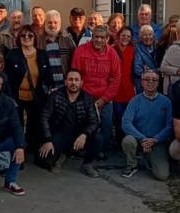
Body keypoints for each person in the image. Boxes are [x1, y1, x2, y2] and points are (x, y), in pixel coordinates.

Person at [39, 70, 101, 177]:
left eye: (76, 80)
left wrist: (84, 134)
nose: (73, 83)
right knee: (45, 154)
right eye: (70, 79)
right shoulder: (55, 96)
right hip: (59, 134)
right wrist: (47, 139)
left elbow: (94, 121)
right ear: (65, 82)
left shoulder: (87, 99)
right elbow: (44, 117)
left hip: (79, 136)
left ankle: (87, 164)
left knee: (98, 138)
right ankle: (60, 156)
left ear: (81, 82)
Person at [71, 26, 121, 160]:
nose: (98, 40)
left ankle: (101, 151)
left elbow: (116, 79)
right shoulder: (81, 51)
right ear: (92, 37)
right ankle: (80, 149)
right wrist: (84, 99)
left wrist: (104, 100)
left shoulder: (112, 54)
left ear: (107, 39)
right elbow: (75, 75)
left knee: (106, 124)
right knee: (81, 123)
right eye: (96, 37)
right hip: (84, 96)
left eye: (102, 37)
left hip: (104, 97)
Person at [4, 25, 53, 154]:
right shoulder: (11, 54)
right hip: (16, 96)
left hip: (36, 96)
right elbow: (6, 78)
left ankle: (32, 151)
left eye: (30, 35)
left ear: (34, 38)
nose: (27, 38)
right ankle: (18, 151)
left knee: (34, 124)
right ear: (18, 38)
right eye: (23, 35)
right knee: (17, 124)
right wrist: (9, 98)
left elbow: (48, 75)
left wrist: (50, 88)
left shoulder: (42, 54)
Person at [121, 70, 172, 180]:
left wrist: (155, 140)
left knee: (162, 176)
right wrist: (143, 139)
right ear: (142, 82)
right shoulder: (135, 101)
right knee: (128, 140)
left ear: (158, 83)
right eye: (147, 79)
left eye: (154, 80)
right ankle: (132, 165)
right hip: (138, 139)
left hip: (157, 141)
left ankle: (149, 159)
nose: (150, 82)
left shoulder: (166, 102)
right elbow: (126, 123)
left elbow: (170, 126)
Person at [40, 10, 76, 88]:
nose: (52, 25)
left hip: (64, 85)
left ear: (59, 23)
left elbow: (74, 61)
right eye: (49, 22)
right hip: (46, 85)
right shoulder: (39, 40)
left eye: (55, 22)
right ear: (45, 23)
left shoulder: (67, 40)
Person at [113, 27, 136, 143]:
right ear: (118, 36)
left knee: (128, 118)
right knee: (118, 117)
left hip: (129, 88)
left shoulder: (132, 50)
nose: (125, 38)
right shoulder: (111, 49)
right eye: (123, 35)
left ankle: (128, 141)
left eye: (128, 36)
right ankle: (119, 141)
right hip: (116, 89)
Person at [132, 25, 158, 92]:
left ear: (153, 36)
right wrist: (157, 70)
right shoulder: (137, 49)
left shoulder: (158, 48)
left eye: (150, 34)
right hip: (142, 84)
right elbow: (137, 70)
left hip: (157, 83)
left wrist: (147, 70)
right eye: (145, 35)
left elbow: (163, 68)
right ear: (140, 37)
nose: (148, 37)